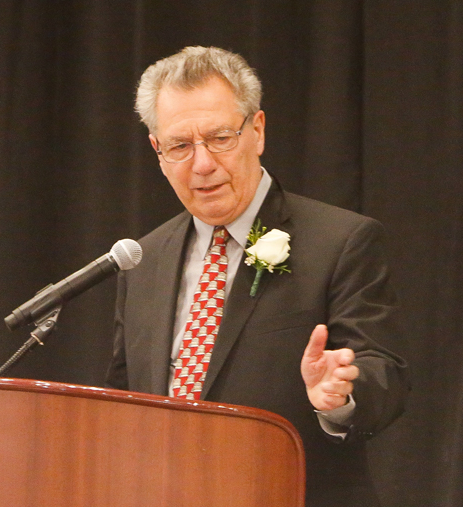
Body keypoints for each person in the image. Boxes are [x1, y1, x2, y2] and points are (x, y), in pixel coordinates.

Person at [105, 46, 409, 507]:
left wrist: (339, 397)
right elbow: (123, 399)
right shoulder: (142, 259)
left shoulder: (342, 241)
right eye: (181, 146)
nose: (202, 164)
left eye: (220, 137)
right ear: (157, 151)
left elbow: (385, 374)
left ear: (258, 130)